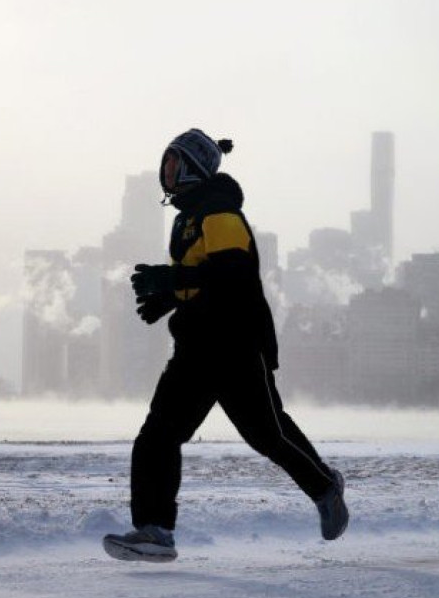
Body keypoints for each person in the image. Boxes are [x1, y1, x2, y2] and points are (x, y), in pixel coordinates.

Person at [103, 128, 349, 563]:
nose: (166, 173)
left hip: (236, 347)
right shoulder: (189, 218)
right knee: (158, 435)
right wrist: (168, 297)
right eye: (165, 163)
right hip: (195, 349)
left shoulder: (220, 214)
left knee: (268, 436)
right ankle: (155, 531)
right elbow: (201, 279)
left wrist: (173, 279)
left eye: (174, 164)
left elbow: (233, 278)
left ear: (195, 168)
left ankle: (326, 487)